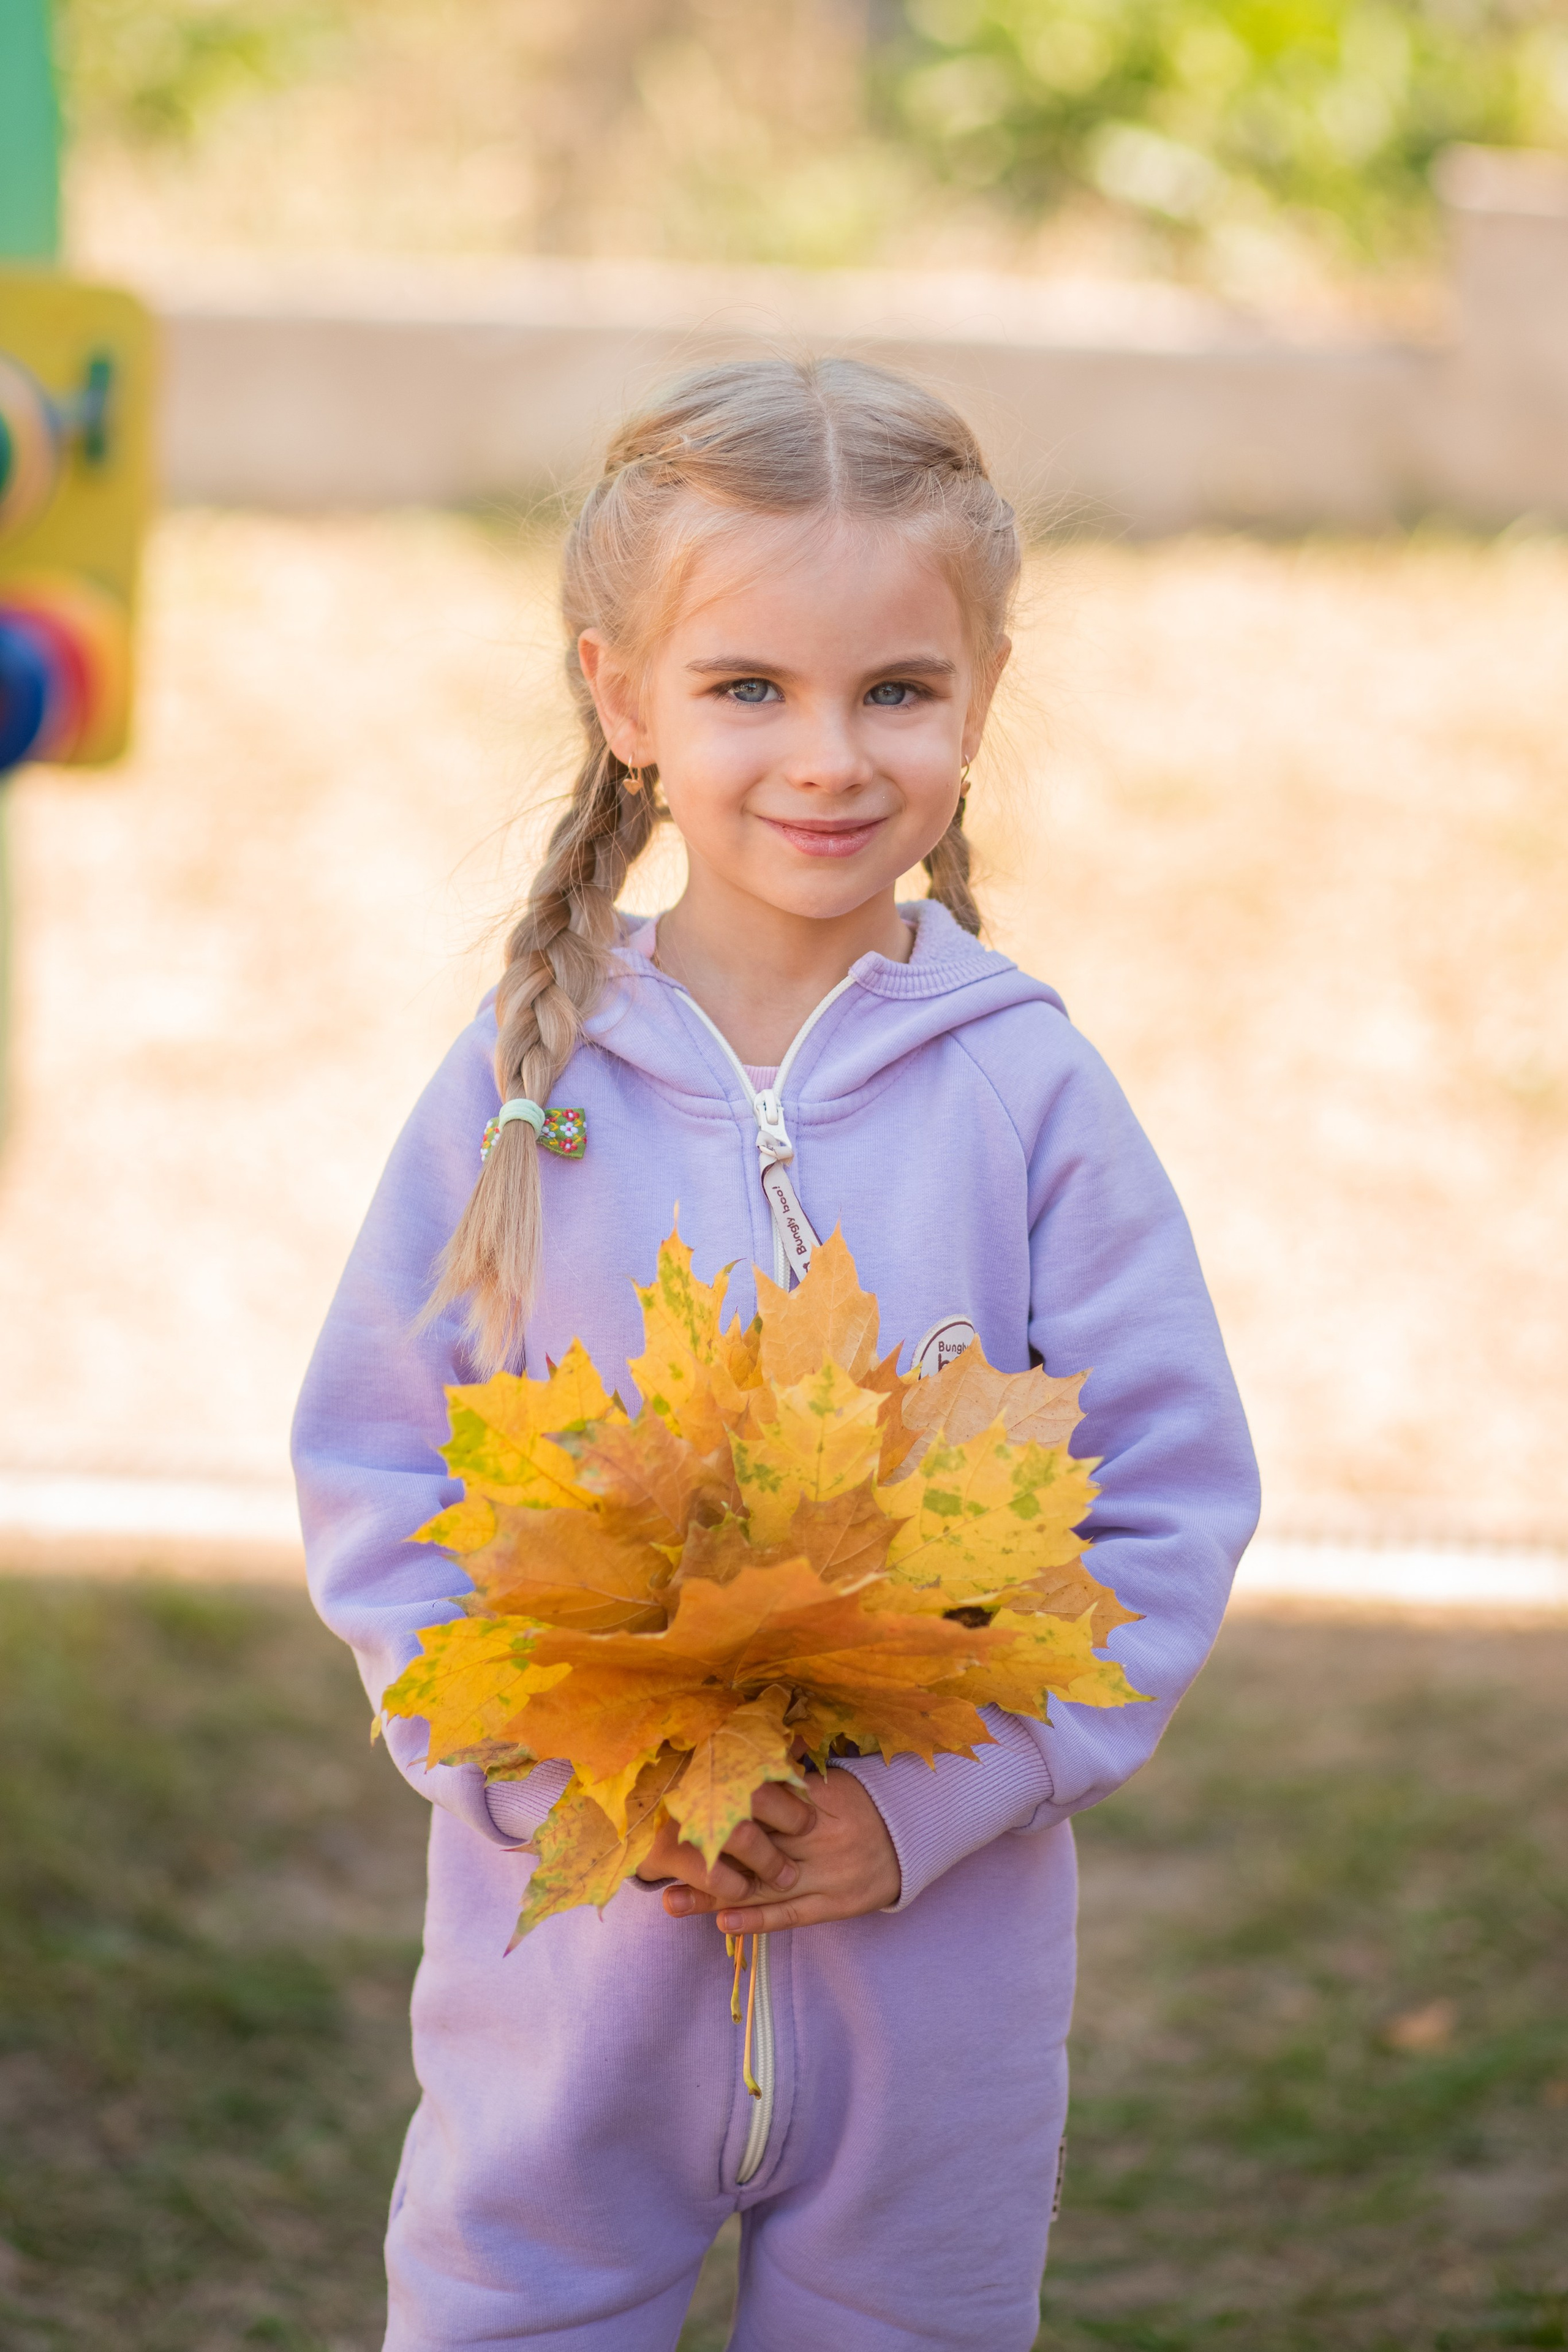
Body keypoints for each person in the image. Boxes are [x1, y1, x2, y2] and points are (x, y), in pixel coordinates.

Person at [292, 355, 1259, 2352]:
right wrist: (529, 1775)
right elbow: (380, 1464)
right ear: (623, 698)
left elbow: (1165, 1498)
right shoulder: (523, 1088)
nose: (828, 758)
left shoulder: (1026, 1092)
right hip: (574, 1982)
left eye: (896, 690)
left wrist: (933, 1813)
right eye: (749, 687)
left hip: (936, 2011)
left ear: (982, 697)